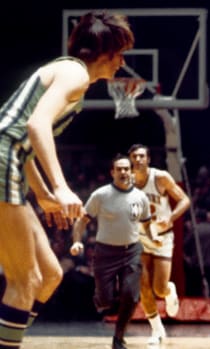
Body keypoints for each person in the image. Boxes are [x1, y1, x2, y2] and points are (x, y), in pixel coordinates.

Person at [0, 11, 133, 349]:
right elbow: (37, 126)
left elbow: (22, 137)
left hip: (11, 162)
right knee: (24, 280)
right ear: (105, 49)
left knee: (48, 276)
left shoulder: (70, 74)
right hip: (3, 161)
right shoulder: (75, 73)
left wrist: (43, 194)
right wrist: (60, 186)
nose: (122, 62)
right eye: (120, 53)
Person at [70, 154, 151, 349]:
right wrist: (76, 241)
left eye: (126, 168)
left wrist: (152, 238)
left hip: (131, 251)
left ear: (131, 171)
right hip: (105, 253)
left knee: (131, 295)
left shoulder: (140, 197)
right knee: (105, 301)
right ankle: (101, 297)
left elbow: (147, 223)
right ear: (112, 172)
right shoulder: (101, 195)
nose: (123, 172)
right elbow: (82, 220)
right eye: (119, 169)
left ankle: (118, 337)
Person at [127, 143, 190, 345]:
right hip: (140, 237)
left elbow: (184, 200)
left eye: (141, 156)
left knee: (159, 289)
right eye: (134, 156)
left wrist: (170, 218)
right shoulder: (125, 182)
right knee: (142, 284)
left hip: (163, 236)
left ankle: (169, 290)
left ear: (148, 159)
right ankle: (156, 329)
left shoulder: (160, 177)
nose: (138, 160)